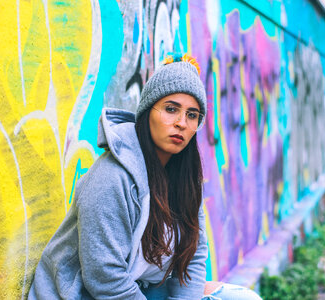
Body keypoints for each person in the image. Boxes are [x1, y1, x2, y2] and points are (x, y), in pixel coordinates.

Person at [28, 53, 262, 300]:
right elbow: (104, 278)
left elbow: (193, 256)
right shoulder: (113, 177)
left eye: (192, 115)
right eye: (171, 110)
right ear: (148, 112)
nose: (181, 123)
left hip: (141, 291)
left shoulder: (184, 181)